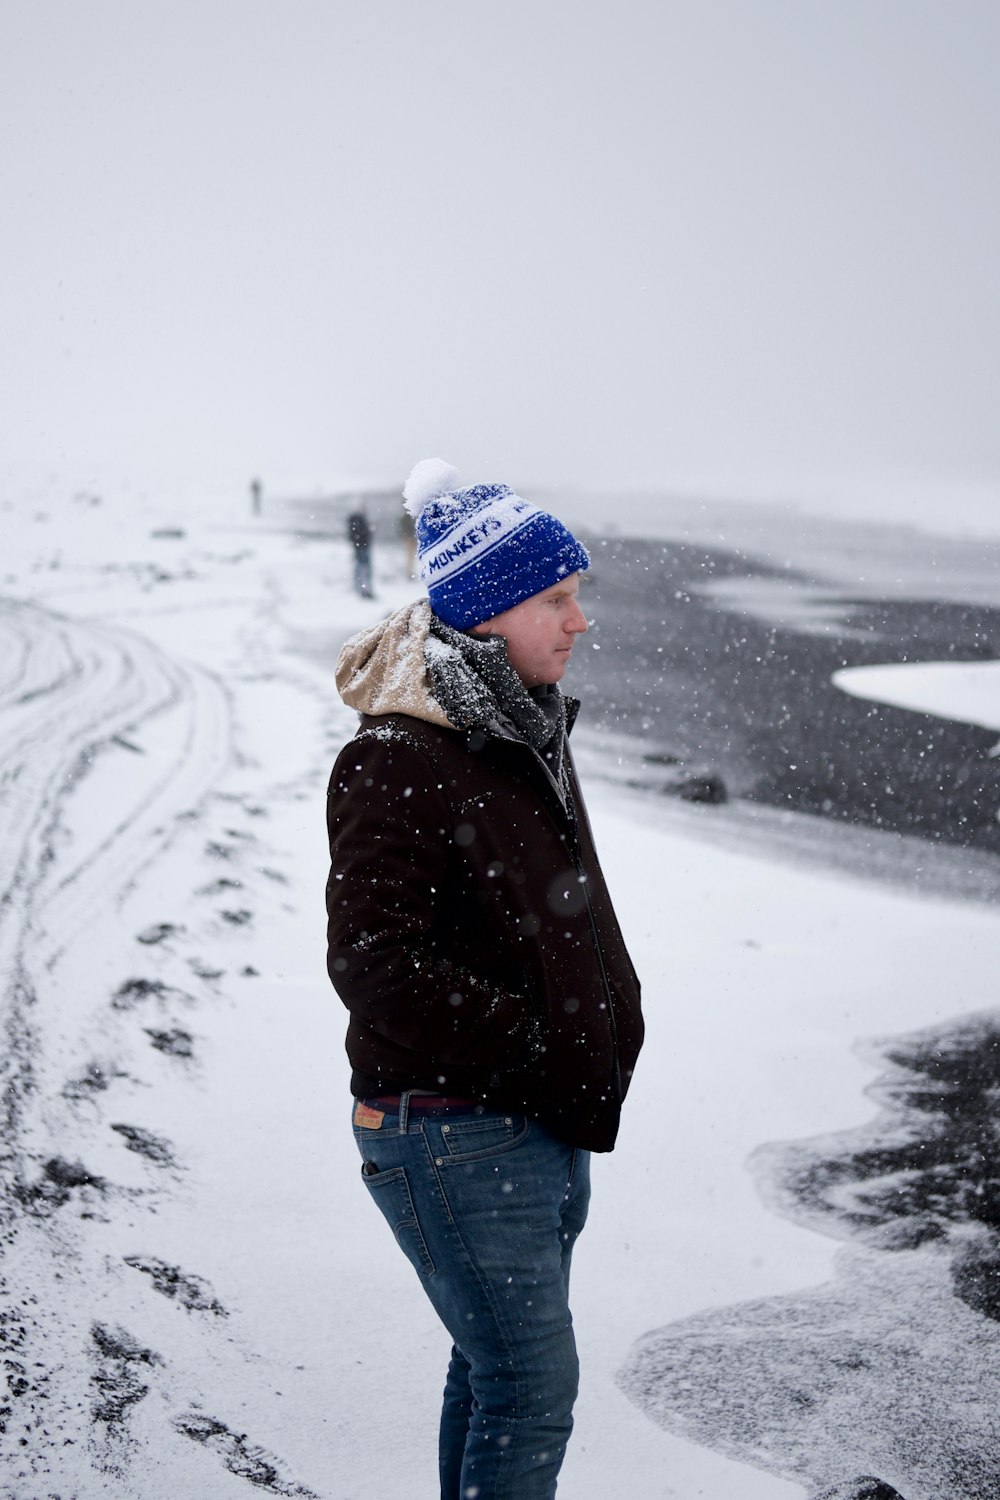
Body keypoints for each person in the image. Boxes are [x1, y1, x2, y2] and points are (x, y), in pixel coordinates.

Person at [326, 458, 644, 1500]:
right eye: (556, 597)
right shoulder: (401, 755)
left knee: (492, 1366)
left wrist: (582, 1048)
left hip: (528, 1119)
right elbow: (373, 961)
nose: (578, 619)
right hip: (455, 1126)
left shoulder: (518, 727)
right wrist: (542, 1048)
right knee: (529, 1384)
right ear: (489, 609)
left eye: (576, 594)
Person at [346, 505, 373, 597]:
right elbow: (360, 535)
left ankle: (361, 589)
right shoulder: (358, 521)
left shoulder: (356, 521)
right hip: (362, 548)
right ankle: (362, 590)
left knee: (361, 568)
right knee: (362, 569)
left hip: (361, 547)